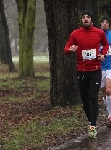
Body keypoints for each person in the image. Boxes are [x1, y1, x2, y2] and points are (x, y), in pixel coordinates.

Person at [64, 10, 109, 138]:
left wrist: (103, 55)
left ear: (91, 20)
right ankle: (90, 120)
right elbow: (66, 48)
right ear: (81, 20)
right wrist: (70, 49)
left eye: (88, 17)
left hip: (95, 70)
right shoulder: (75, 34)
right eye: (83, 17)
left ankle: (93, 126)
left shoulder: (99, 33)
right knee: (84, 100)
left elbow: (105, 45)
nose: (85, 19)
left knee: (93, 97)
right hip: (82, 71)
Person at [100, 16, 111, 127]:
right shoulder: (97, 35)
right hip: (99, 68)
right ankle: (109, 111)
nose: (104, 24)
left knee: (108, 91)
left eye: (107, 22)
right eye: (102, 22)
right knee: (104, 93)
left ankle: (110, 116)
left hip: (110, 67)